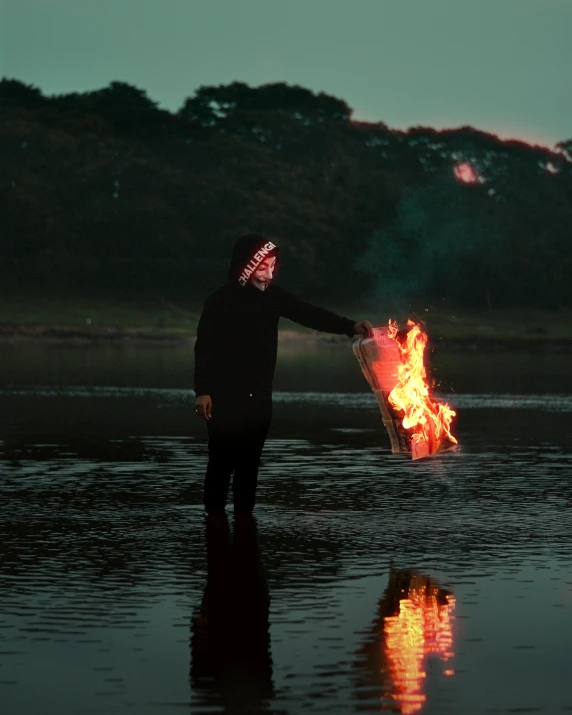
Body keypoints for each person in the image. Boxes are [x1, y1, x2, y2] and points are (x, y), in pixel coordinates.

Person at [193, 233, 373, 513]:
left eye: (273, 266)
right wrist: (202, 391)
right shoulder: (219, 301)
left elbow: (310, 314)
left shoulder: (274, 299)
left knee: (249, 467)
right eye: (263, 266)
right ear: (246, 265)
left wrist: (351, 327)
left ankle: (244, 527)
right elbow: (204, 347)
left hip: (259, 397)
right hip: (223, 397)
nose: (269, 273)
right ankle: (212, 525)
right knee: (221, 463)